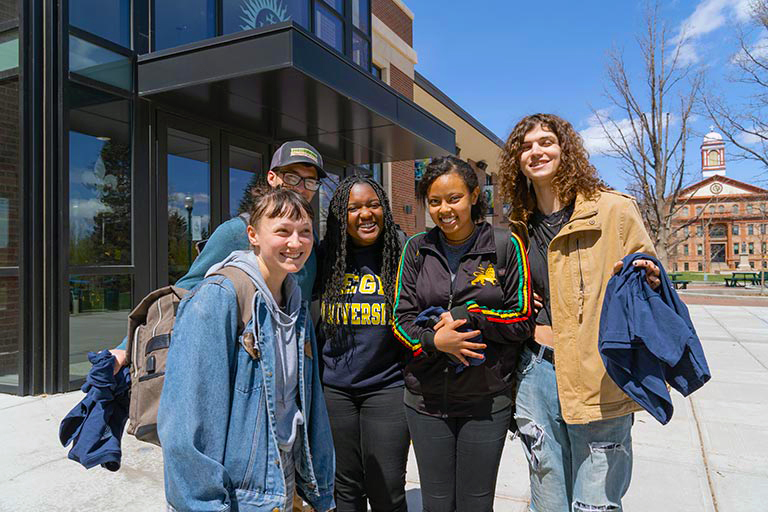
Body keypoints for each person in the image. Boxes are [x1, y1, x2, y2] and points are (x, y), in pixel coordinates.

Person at [497, 113, 660, 512]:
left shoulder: (613, 210)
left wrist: (650, 274)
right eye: (526, 145)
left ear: (565, 149)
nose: (536, 150)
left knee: (596, 503)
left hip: (599, 373)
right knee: (548, 499)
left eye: (546, 141)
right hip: (536, 373)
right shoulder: (517, 225)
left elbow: (649, 275)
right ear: (517, 160)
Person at [157, 186, 335, 512]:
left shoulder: (295, 303)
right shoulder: (218, 297)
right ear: (253, 235)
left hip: (284, 470)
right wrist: (204, 504)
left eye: (305, 232)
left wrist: (319, 486)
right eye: (282, 231)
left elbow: (308, 402)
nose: (296, 243)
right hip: (236, 490)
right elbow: (185, 425)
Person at [392, 156, 534, 512]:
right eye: (435, 201)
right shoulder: (415, 248)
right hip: (426, 400)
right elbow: (399, 318)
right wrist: (434, 341)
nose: (444, 209)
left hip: (486, 401)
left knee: (475, 504)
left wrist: (469, 318)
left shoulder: (506, 245)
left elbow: (522, 318)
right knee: (437, 504)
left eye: (453, 198)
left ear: (473, 195)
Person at [109, 140, 326, 367]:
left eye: (310, 181)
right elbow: (185, 294)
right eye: (292, 177)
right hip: (247, 368)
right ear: (272, 178)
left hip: (294, 368)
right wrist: (126, 349)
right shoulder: (236, 233)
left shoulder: (307, 243)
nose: (301, 188)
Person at [316, 176, 410, 512]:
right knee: (346, 487)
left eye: (372, 205)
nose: (365, 214)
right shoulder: (323, 257)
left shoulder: (402, 253)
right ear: (341, 215)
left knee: (387, 487)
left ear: (384, 209)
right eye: (353, 207)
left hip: (387, 386)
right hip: (334, 390)